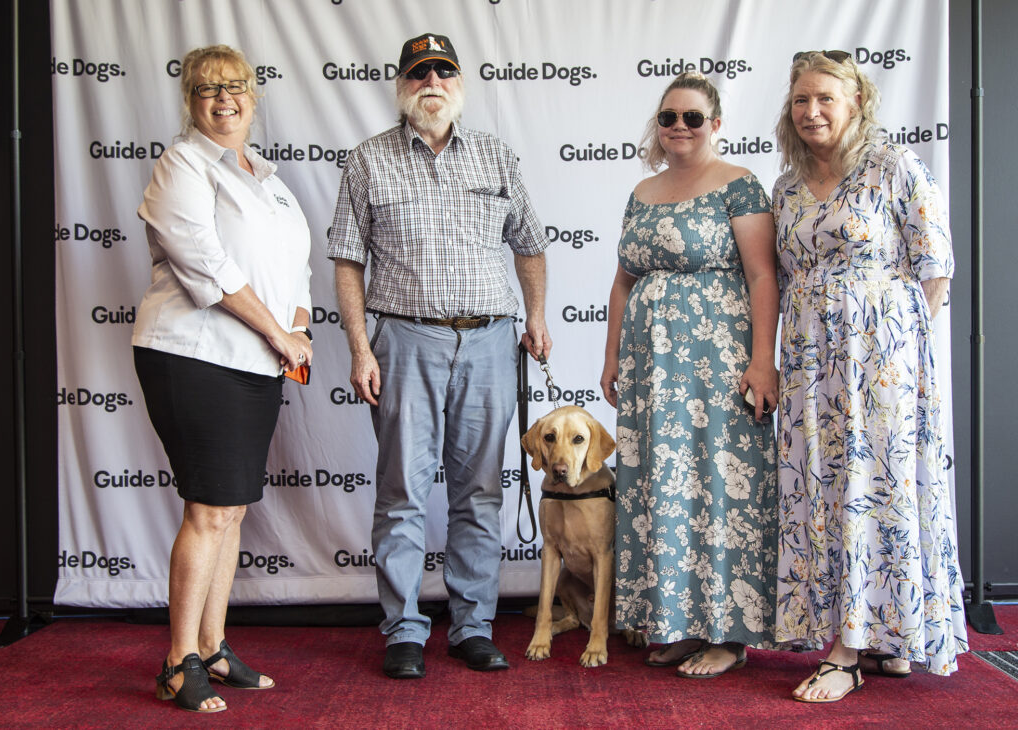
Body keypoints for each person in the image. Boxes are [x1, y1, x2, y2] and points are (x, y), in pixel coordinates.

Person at [328, 32, 551, 679]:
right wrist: (360, 346)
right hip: (404, 340)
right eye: (420, 71)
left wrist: (535, 316)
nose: (433, 81)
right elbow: (347, 260)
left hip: (489, 339)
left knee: (479, 493)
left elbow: (530, 243)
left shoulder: (495, 156)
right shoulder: (368, 160)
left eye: (444, 72)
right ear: (402, 84)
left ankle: (472, 627)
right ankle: (402, 631)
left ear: (459, 84)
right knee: (401, 492)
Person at [772, 51, 968, 702]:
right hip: (807, 367)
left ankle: (851, 649)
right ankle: (880, 634)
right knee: (822, 499)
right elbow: (786, 278)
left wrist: (897, 353)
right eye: (801, 100)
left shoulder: (895, 168)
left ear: (857, 102)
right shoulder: (786, 187)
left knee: (873, 493)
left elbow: (935, 267)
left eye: (825, 98)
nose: (811, 111)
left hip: (882, 366)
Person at [133, 45, 313, 713]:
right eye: (207, 89)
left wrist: (297, 328)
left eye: (235, 86)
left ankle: (212, 646)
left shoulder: (265, 175)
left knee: (230, 511)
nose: (223, 99)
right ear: (190, 100)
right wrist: (279, 332)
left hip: (256, 360)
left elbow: (299, 268)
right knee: (208, 510)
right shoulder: (181, 164)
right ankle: (178, 663)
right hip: (193, 355)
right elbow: (204, 265)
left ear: (254, 96)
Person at [600, 72, 780, 679]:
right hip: (651, 368)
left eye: (693, 117)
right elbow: (624, 280)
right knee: (663, 488)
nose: (680, 126)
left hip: (718, 363)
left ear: (716, 125)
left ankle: (729, 634)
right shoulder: (642, 191)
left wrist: (762, 360)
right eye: (669, 116)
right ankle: (676, 621)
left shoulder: (740, 186)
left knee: (718, 487)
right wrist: (610, 358)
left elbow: (761, 276)